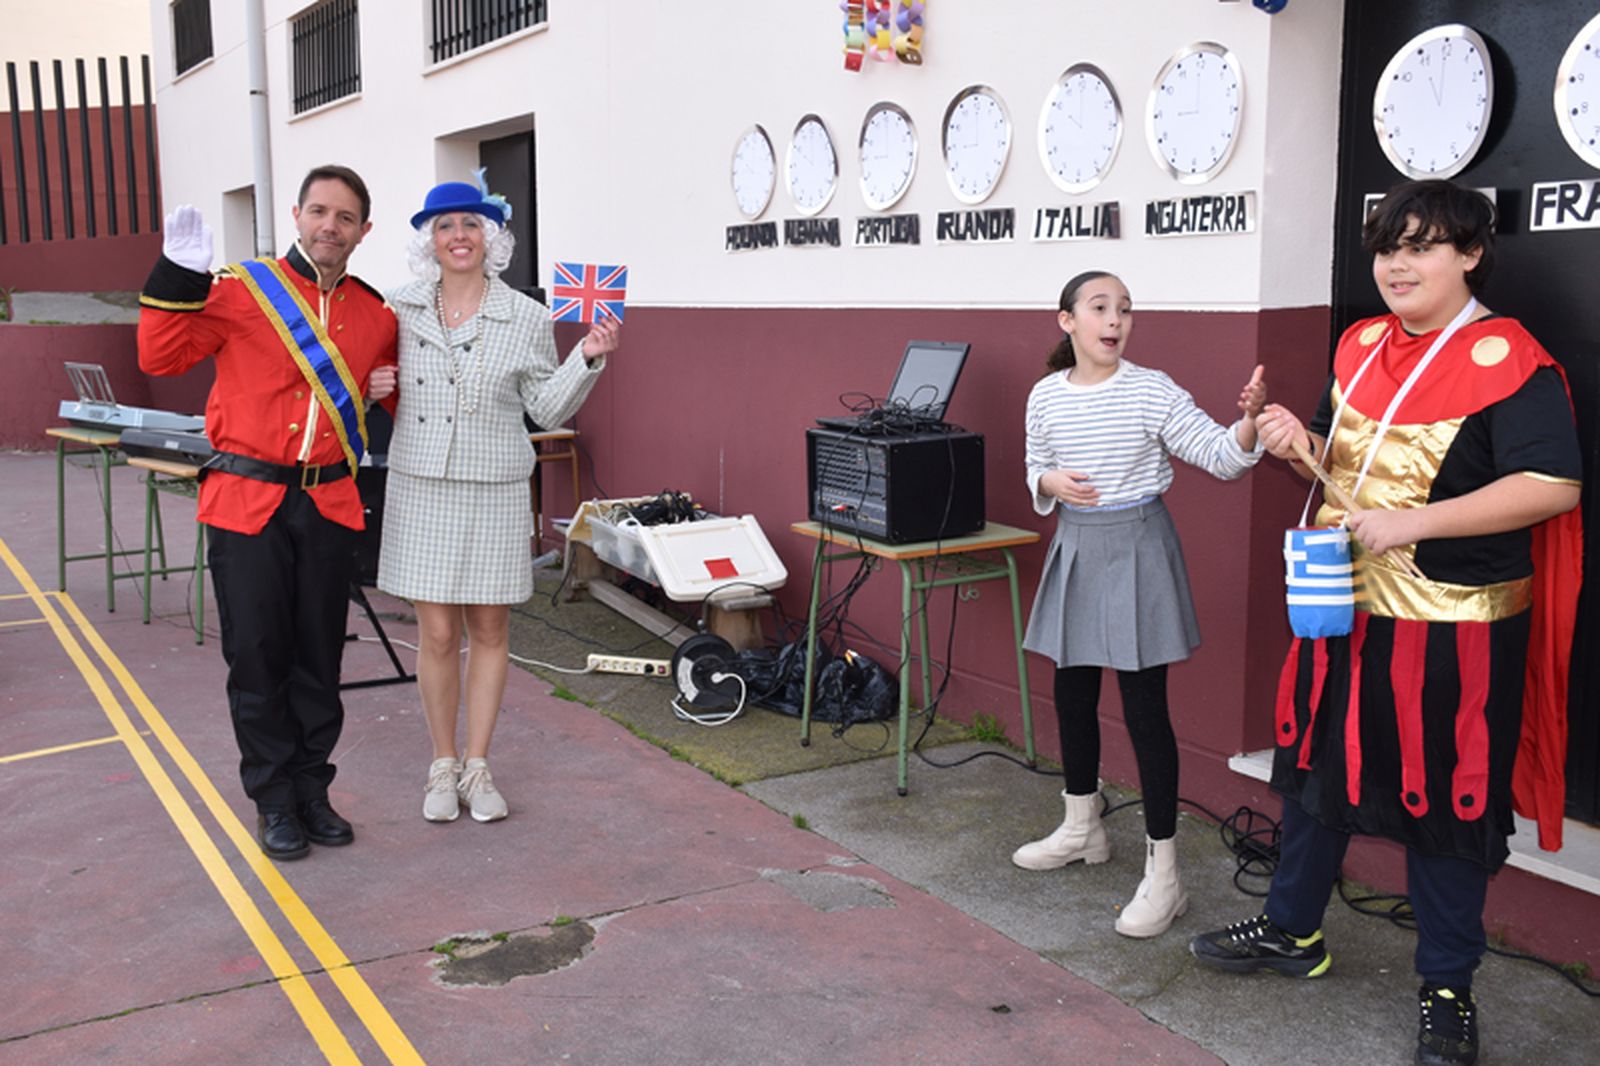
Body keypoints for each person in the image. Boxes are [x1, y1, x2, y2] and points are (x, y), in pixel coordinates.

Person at [1189, 180, 1583, 1066]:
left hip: (1454, 630)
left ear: (1473, 254)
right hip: (1343, 610)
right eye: (1387, 248)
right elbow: (1342, 473)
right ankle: (1294, 930)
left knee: (1447, 803)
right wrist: (1297, 443)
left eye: (1424, 246)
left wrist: (1414, 524)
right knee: (1314, 773)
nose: (1398, 264)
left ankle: (1448, 986)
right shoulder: (1362, 344)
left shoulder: (1509, 356)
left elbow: (1552, 486)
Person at [138, 165, 400, 862]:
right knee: (256, 657)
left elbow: (406, 397)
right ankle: (274, 800)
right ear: (296, 214)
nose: (329, 226)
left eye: (345, 218)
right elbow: (160, 356)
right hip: (246, 502)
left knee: (318, 659)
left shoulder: (377, 315)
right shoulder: (240, 291)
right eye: (319, 211)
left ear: (363, 232)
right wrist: (177, 278)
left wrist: (387, 386)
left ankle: (313, 790)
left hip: (328, 502)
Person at [1016, 270, 1266, 938]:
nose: (1115, 319)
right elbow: (1034, 462)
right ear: (1066, 320)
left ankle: (1166, 876)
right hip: (1076, 546)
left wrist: (1245, 427)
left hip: (1137, 549)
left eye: (1124, 309)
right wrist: (1049, 480)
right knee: (1071, 693)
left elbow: (1216, 454)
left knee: (1144, 710)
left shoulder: (1151, 390)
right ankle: (1081, 828)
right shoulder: (1045, 395)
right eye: (1100, 307)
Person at [378, 179, 618, 823]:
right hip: (422, 484)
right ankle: (441, 763)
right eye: (445, 225)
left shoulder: (530, 316)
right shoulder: (396, 308)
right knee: (435, 631)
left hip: (495, 486)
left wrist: (587, 360)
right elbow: (360, 371)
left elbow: (543, 408)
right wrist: (372, 384)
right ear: (429, 239)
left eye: (471, 224)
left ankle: (478, 766)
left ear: (493, 237)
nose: (459, 235)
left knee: (489, 629)